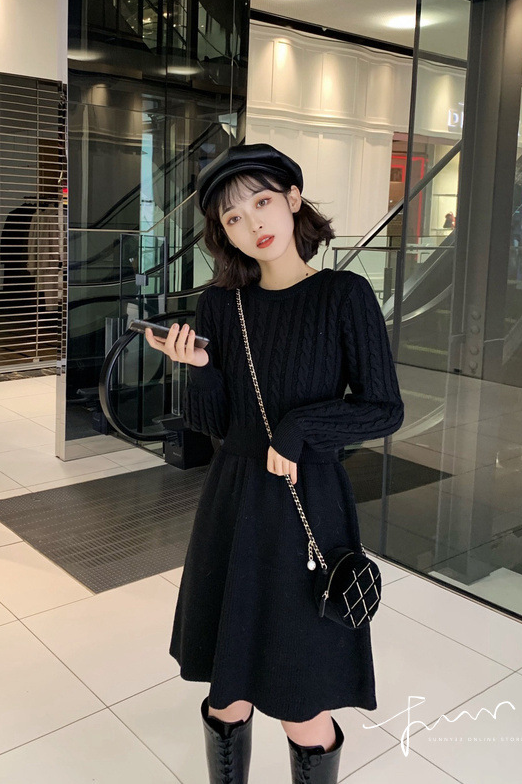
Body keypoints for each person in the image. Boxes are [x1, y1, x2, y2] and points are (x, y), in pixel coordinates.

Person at [144, 142, 404, 784]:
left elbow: (383, 409)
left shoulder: (344, 295)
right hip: (234, 504)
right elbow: (214, 428)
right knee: (226, 696)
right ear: (223, 232)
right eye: (233, 217)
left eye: (262, 202)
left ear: (292, 200)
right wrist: (200, 370)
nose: (253, 223)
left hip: (309, 502)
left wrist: (300, 429)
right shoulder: (221, 304)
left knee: (301, 702)